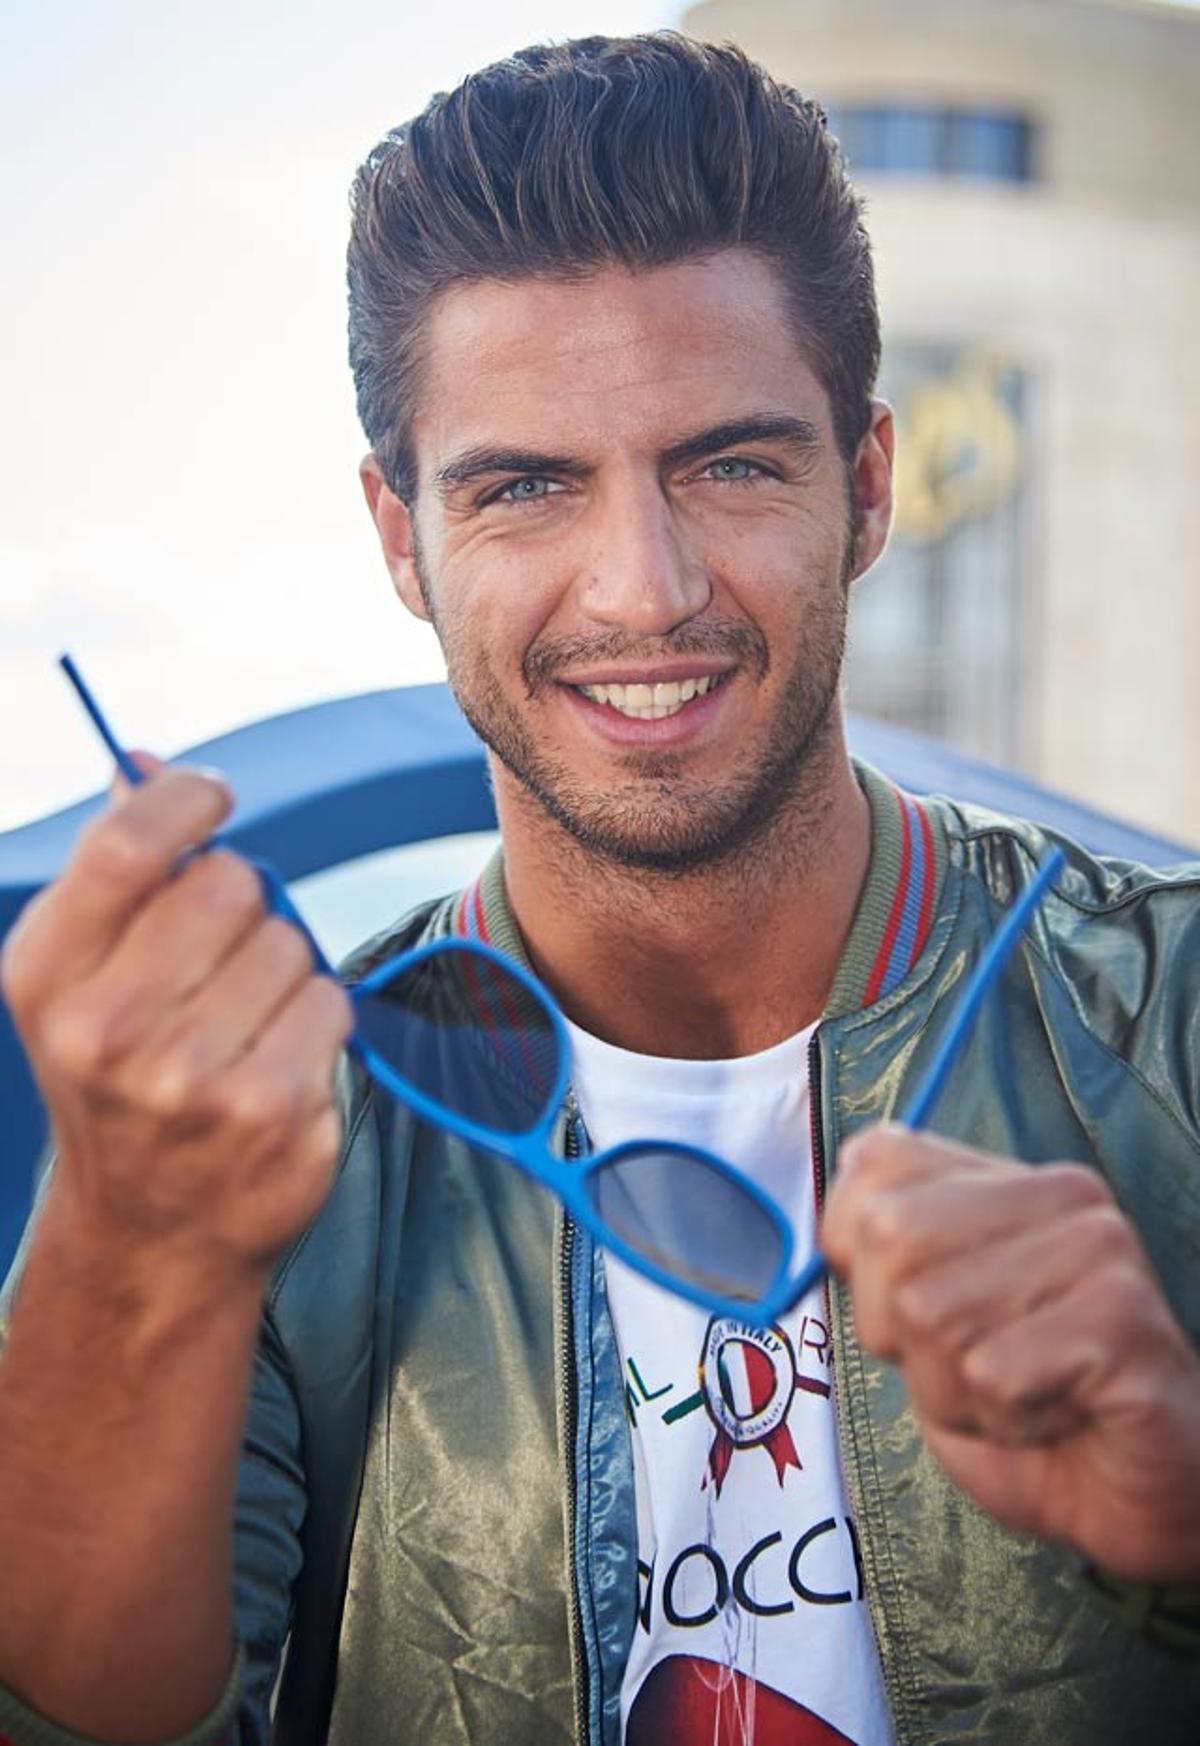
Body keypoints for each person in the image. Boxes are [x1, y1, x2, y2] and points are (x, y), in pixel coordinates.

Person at [1, 32, 1199, 1746]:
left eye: (730, 464)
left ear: (867, 488)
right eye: (526, 487)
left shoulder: (1170, 1020)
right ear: (402, 539)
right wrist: (127, 1248)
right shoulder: (265, 1129)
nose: (642, 589)